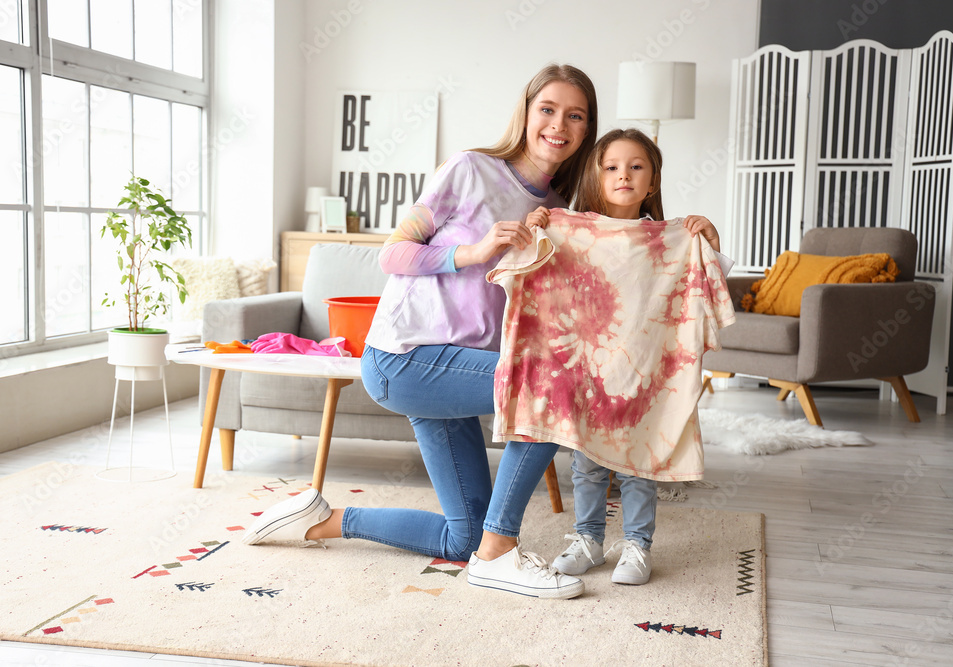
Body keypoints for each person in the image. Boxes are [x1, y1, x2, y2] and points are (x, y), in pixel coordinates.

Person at [242, 64, 599, 600]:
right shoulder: (470, 169)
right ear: (526, 113)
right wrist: (473, 253)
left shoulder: (557, 212)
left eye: (575, 115)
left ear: (586, 129)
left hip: (453, 367)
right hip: (404, 356)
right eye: (547, 109)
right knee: (550, 388)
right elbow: (392, 253)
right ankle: (499, 555)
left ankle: (321, 519)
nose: (559, 124)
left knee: (463, 538)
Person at [534, 127, 731, 586]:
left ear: (653, 180)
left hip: (647, 370)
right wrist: (543, 228)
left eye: (636, 166)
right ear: (596, 176)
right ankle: (588, 540)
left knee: (640, 461)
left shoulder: (672, 236)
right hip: (592, 369)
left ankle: (638, 545)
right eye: (612, 167)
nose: (624, 175)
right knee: (585, 461)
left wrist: (712, 243)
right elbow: (543, 273)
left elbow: (707, 284)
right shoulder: (576, 231)